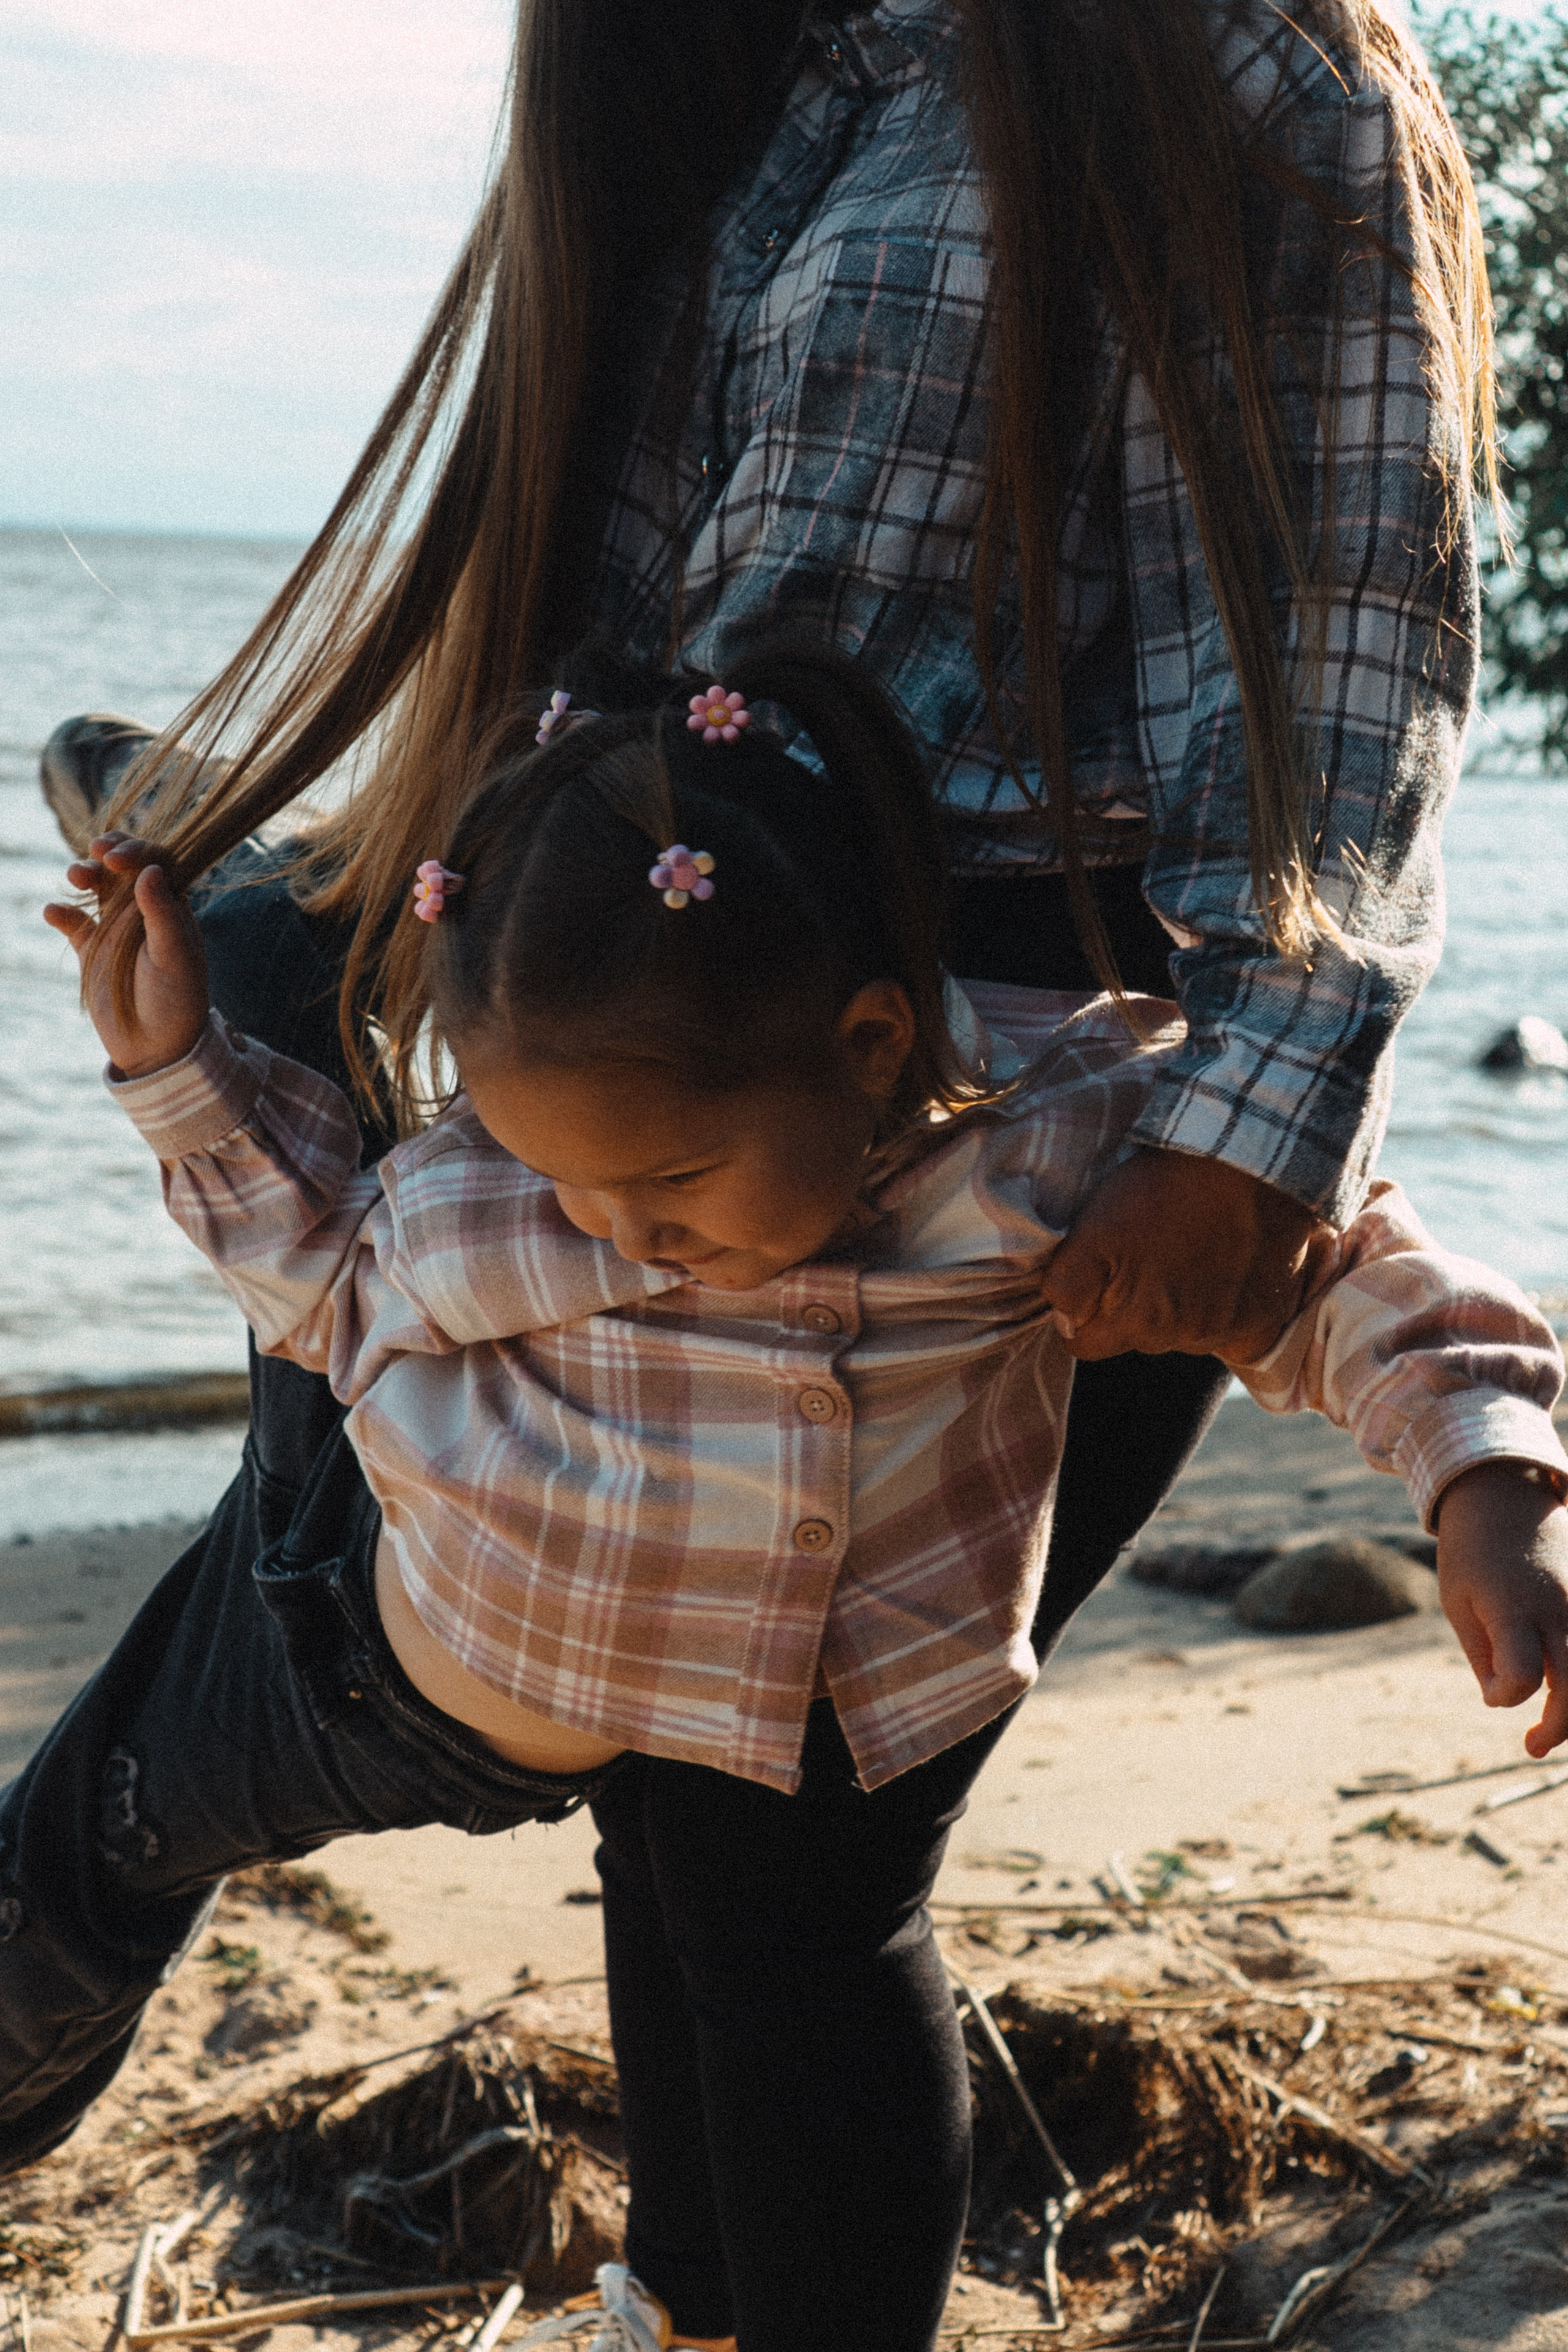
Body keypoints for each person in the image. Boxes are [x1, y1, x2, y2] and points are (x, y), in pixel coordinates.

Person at [24, 641, 1568, 2352]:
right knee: (95, 1822)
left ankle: (689, 2324)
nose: (612, 1228)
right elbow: (315, 1285)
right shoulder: (510, 1197)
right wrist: (172, 1075)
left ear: (871, 1039)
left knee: (790, 1953)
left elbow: (1339, 1259)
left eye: (669, 1180)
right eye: (566, 1177)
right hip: (392, 1668)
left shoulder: (1037, 1147)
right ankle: (222, 886)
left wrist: (1482, 1476)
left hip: (776, 1703)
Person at [40, 0, 1495, 1629]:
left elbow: (1335, 622)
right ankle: (273, 890)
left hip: (996, 992)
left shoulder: (1203, 54)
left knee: (774, 1853)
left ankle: (255, 882)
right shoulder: (722, 60)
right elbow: (617, 591)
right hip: (691, 949)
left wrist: (1252, 1128)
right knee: (341, 1580)